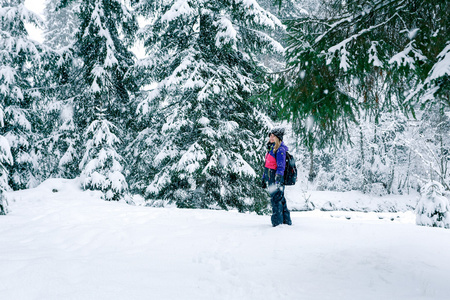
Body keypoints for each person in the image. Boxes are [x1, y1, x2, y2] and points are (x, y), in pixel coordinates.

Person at [262, 127, 292, 227]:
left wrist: (278, 178)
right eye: (270, 135)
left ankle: (277, 223)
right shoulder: (271, 148)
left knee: (276, 200)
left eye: (273, 136)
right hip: (271, 177)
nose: (271, 137)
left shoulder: (280, 150)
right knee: (280, 199)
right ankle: (286, 222)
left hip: (276, 178)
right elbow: (267, 165)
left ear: (278, 138)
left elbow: (281, 166)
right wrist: (264, 178)